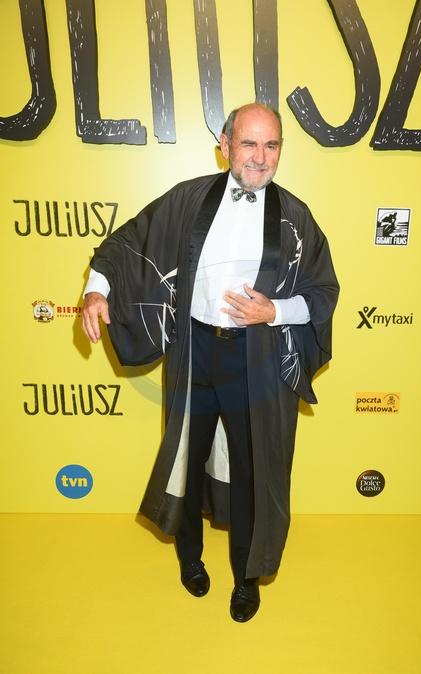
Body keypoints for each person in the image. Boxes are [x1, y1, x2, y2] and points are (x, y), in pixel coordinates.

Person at [81, 103, 339, 622]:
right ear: (225, 146)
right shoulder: (189, 199)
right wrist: (96, 290)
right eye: (249, 143)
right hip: (195, 351)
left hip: (257, 359)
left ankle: (246, 578)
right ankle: (190, 558)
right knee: (187, 457)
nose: (260, 157)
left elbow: (323, 292)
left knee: (252, 470)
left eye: (271, 145)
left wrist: (274, 311)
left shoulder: (296, 217)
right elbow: (127, 242)